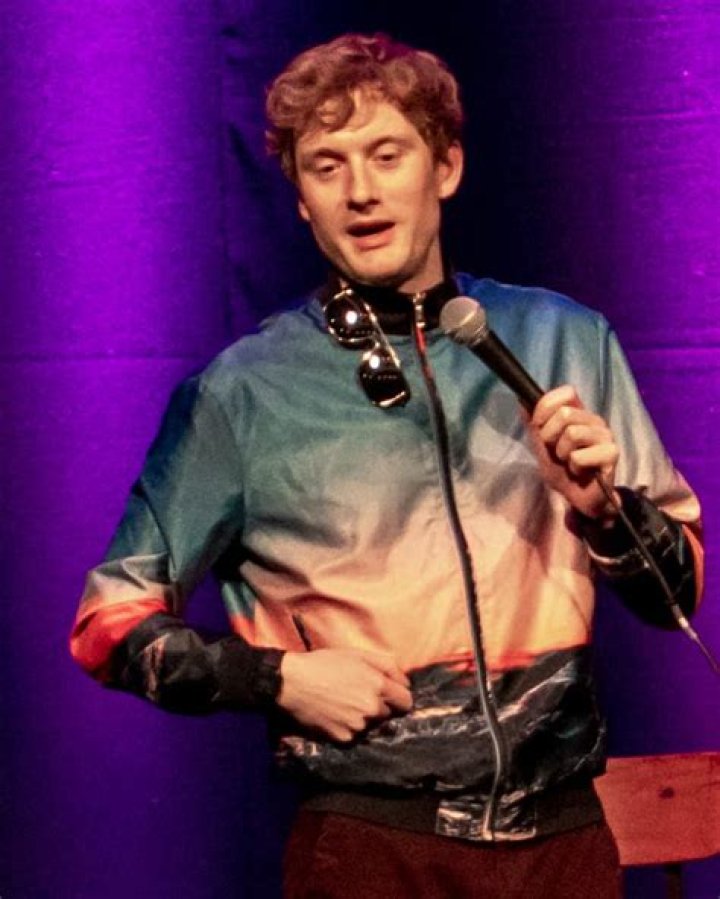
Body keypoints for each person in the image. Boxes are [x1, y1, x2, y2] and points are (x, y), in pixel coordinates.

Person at [70, 33, 703, 898]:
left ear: (446, 167)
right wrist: (278, 678)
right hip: (373, 844)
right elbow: (106, 622)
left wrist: (603, 513)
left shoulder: (565, 339)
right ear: (301, 199)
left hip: (564, 842)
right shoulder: (243, 392)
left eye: (386, 154)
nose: (360, 190)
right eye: (326, 166)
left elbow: (681, 594)